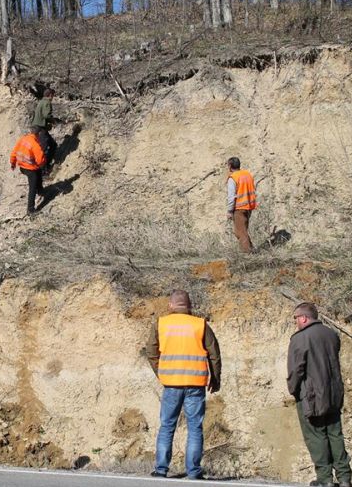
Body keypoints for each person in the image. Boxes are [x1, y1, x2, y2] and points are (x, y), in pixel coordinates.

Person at [146, 290, 221, 480]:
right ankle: (194, 472)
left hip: (171, 384)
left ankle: (161, 470)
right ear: (190, 306)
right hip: (195, 384)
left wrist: (161, 373)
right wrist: (215, 378)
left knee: (167, 426)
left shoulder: (161, 323)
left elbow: (151, 352)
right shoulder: (200, 324)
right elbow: (214, 353)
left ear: (170, 305)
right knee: (195, 427)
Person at [287, 302, 352, 487]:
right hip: (333, 393)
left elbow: (296, 370)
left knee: (316, 436)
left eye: (296, 318)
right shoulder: (332, 334)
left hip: (311, 396)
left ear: (303, 318)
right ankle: (344, 477)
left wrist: (293, 390)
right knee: (335, 434)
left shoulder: (299, 338)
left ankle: (325, 479)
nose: (295, 322)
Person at [10, 127, 47, 215]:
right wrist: (44, 165)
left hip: (22, 167)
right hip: (30, 169)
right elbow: (40, 160)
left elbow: (14, 152)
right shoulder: (35, 144)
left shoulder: (23, 139)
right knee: (32, 187)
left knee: (38, 173)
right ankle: (30, 209)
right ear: (38, 134)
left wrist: (13, 163)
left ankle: (40, 190)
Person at [226, 157, 257, 253]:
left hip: (239, 207)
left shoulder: (233, 178)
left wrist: (229, 211)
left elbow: (231, 197)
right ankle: (252, 250)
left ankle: (248, 255)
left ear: (230, 166)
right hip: (249, 206)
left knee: (240, 232)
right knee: (243, 231)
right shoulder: (247, 174)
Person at [32, 88, 58, 174]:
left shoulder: (41, 102)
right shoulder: (47, 102)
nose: (53, 97)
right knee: (43, 148)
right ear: (50, 95)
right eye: (53, 95)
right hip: (40, 129)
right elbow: (47, 115)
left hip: (38, 128)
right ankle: (41, 170)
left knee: (52, 145)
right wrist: (53, 121)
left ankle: (46, 165)